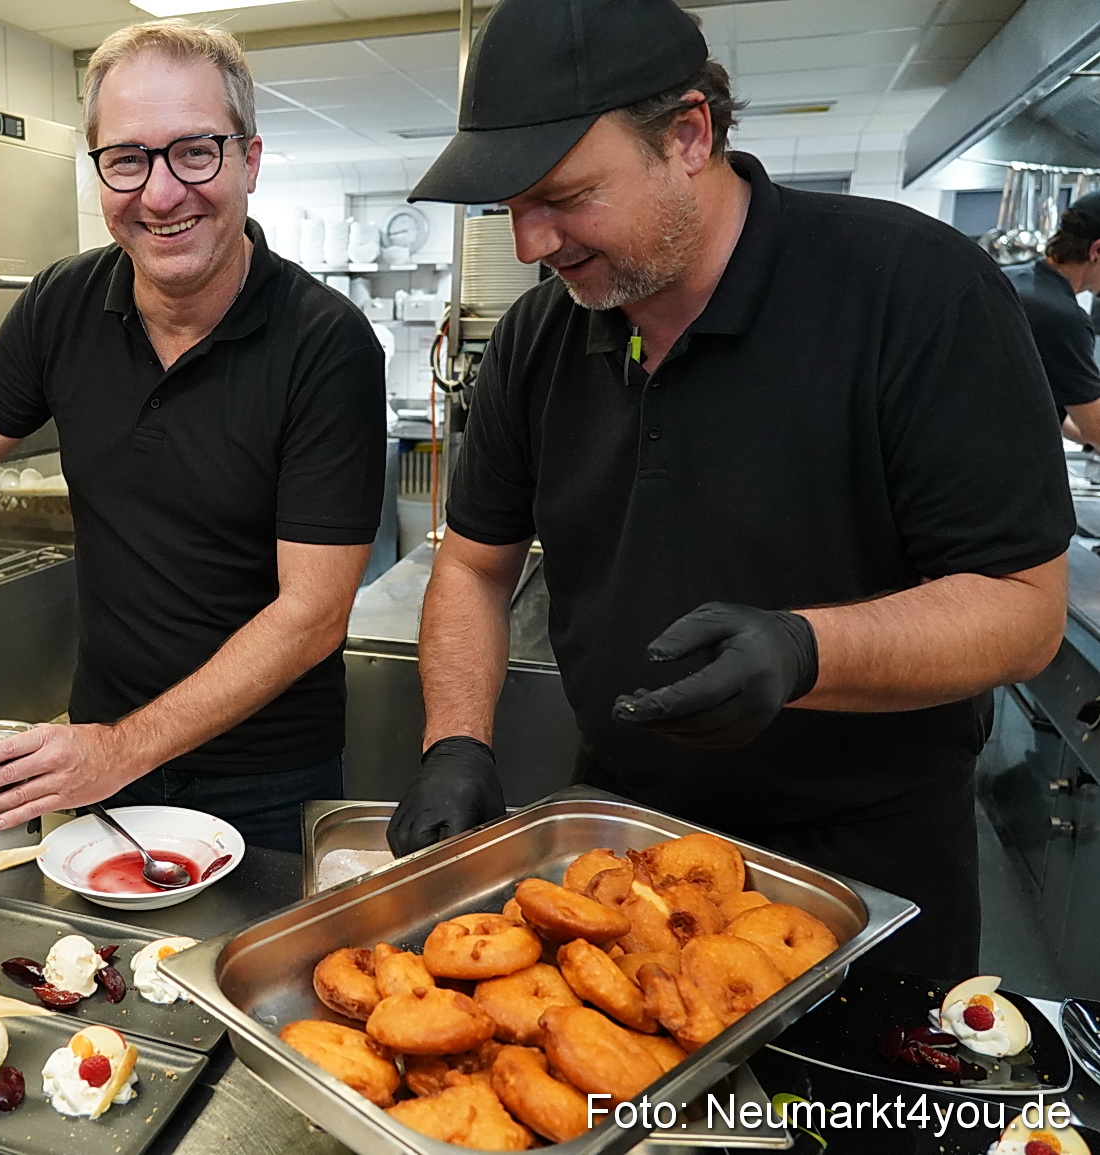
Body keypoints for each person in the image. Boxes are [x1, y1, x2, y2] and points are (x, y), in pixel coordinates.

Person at [387, 0, 1072, 975]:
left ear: (688, 135)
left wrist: (804, 649)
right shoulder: (542, 336)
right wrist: (455, 740)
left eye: (564, 195)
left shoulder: (912, 291)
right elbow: (473, 565)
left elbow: (1021, 612)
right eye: (510, 205)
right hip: (622, 834)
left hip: (860, 860)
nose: (531, 242)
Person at [0, 21, 386, 855]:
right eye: (127, 159)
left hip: (265, 780)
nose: (161, 194)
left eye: (195, 151)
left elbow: (311, 615)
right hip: (101, 770)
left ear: (249, 158)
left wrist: (117, 748)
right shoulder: (62, 304)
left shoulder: (327, 346)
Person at [1003, 193, 1100, 446]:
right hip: (986, 467)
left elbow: (1046, 412)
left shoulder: (1013, 279)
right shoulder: (1061, 317)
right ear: (1097, 251)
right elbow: (1096, 427)